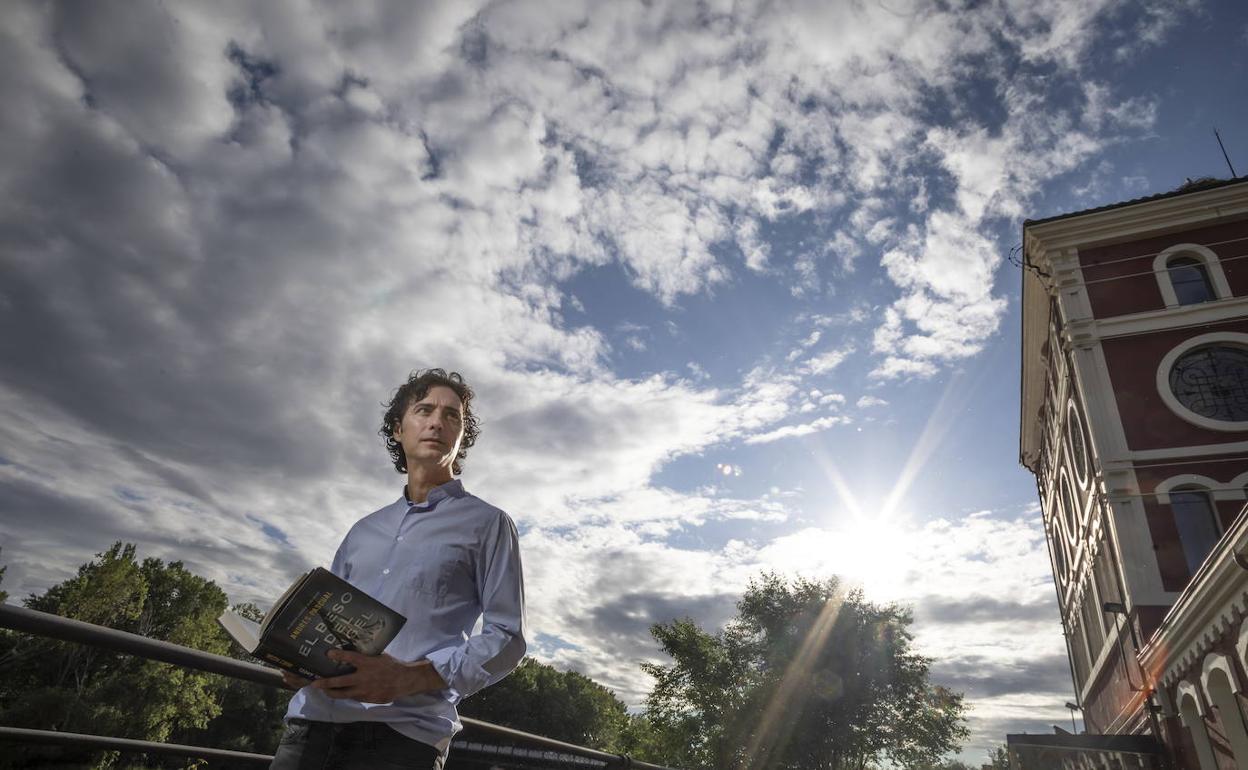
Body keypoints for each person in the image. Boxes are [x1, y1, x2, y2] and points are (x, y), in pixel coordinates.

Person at [270, 369, 526, 770]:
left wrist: (411, 677)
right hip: (308, 728)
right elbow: (328, 622)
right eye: (424, 410)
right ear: (397, 429)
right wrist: (304, 663)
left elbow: (507, 638)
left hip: (404, 740)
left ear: (461, 437)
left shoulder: (489, 524)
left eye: (452, 415)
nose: (437, 422)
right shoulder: (363, 530)